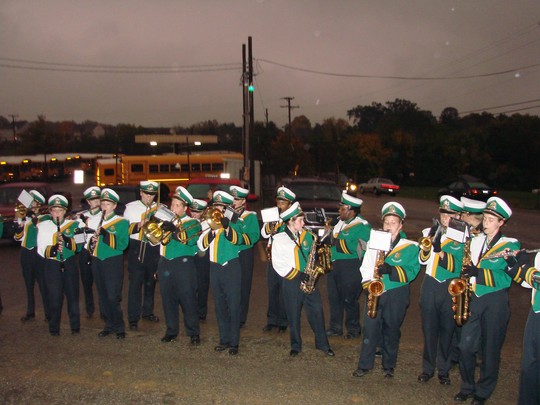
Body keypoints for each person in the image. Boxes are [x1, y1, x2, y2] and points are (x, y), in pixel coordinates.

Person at [453, 196, 519, 405]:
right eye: (486, 217)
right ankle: (467, 386)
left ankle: (483, 391)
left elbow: (507, 278)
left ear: (501, 222)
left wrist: (478, 273)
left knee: (490, 349)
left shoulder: (510, 245)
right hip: (475, 298)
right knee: (465, 346)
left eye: (492, 219)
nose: (487, 222)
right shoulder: (475, 240)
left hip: (495, 302)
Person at [353, 202, 420, 378]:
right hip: (375, 291)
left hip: (397, 293)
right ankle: (365, 365)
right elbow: (366, 265)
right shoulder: (374, 242)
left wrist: (390, 270)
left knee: (391, 329)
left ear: (400, 225)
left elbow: (412, 272)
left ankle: (388, 365)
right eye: (386, 222)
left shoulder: (410, 246)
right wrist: (369, 287)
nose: (389, 226)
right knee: (370, 328)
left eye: (393, 222)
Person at [271, 201, 335, 357]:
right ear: (290, 222)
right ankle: (295, 345)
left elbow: (312, 255)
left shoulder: (308, 236)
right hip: (292, 281)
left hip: (309, 281)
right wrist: (298, 275)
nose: (303, 222)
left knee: (317, 311)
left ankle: (322, 344)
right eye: (300, 220)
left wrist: (322, 248)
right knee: (293, 314)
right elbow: (277, 264)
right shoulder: (279, 239)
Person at [417, 195, 464, 385]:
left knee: (447, 330)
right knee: (429, 330)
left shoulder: (463, 237)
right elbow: (422, 259)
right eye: (443, 214)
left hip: (450, 286)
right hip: (430, 284)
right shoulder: (429, 231)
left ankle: (443, 370)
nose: (446, 219)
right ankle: (427, 368)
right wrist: (429, 241)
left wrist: (440, 250)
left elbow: (457, 266)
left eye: (450, 215)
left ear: (458, 216)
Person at [197, 190, 245, 355]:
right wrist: (211, 231)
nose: (218, 210)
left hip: (231, 266)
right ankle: (224, 339)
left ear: (228, 208)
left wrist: (226, 227)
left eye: (222, 207)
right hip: (214, 267)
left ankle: (234, 342)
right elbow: (201, 246)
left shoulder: (237, 222)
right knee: (219, 305)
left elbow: (238, 239)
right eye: (216, 206)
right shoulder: (208, 223)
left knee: (233, 305)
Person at [157, 186, 202, 345]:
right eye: (172, 204)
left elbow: (189, 239)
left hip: (184, 264)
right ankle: (171, 330)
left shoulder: (193, 222)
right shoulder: (165, 220)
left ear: (185, 208)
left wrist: (174, 229)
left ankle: (193, 332)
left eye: (177, 205)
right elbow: (154, 240)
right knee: (168, 299)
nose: (173, 208)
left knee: (188, 299)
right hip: (165, 262)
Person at [326, 191, 371, 339]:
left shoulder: (362, 226)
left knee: (349, 299)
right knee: (334, 298)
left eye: (342, 208)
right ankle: (335, 327)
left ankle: (353, 329)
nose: (339, 211)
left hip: (350, 266)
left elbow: (360, 247)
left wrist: (335, 243)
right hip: (334, 265)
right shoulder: (340, 223)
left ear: (351, 210)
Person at [36, 194, 82, 336]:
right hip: (52, 264)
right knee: (54, 297)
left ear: (64, 211)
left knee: (73, 296)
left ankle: (75, 326)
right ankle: (54, 326)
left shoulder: (75, 225)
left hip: (69, 263)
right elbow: (41, 248)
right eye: (54, 210)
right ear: (50, 211)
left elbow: (80, 246)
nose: (57, 213)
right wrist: (55, 248)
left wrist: (67, 241)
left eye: (60, 210)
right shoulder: (43, 226)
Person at [88, 189, 129, 339]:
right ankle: (108, 324)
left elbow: (123, 245)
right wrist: (91, 242)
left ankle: (119, 326)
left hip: (112, 261)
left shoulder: (121, 222)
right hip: (97, 260)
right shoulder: (95, 220)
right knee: (103, 295)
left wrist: (105, 235)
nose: (104, 207)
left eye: (108, 204)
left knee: (113, 296)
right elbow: (88, 243)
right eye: (103, 203)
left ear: (114, 205)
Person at [124, 180, 161, 330]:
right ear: (141, 193)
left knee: (150, 282)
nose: (149, 197)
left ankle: (147, 312)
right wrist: (139, 224)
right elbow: (125, 230)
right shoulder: (131, 208)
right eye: (146, 194)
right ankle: (133, 317)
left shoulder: (160, 208)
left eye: (152, 195)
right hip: (137, 248)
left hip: (153, 248)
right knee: (135, 284)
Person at [505, 250, 540, 405]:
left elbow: (537, 278)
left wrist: (525, 265)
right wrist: (514, 265)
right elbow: (530, 283)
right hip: (536, 313)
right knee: (530, 367)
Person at [260, 186, 296, 332]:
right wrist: (271, 224)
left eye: (283, 201)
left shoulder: (294, 217)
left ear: (290, 203)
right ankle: (272, 319)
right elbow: (264, 233)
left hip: (286, 260)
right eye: (278, 200)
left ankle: (283, 321)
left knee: (283, 290)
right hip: (273, 258)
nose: (279, 203)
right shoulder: (273, 214)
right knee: (272, 289)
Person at [13, 189, 49, 322]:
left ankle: (48, 312)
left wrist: (32, 216)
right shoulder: (25, 218)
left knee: (43, 284)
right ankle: (30, 311)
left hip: (38, 253)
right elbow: (17, 237)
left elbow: (41, 229)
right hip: (25, 253)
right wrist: (19, 220)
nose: (29, 204)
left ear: (38, 204)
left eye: (32, 202)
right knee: (29, 284)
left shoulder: (43, 218)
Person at [230, 185, 260, 327]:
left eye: (237, 199)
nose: (234, 201)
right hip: (229, 253)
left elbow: (254, 236)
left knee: (243, 286)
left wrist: (239, 237)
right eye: (233, 198)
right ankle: (230, 314)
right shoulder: (226, 214)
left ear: (243, 201)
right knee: (230, 286)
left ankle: (241, 318)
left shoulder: (250, 216)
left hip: (244, 253)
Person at [76, 186, 101, 319]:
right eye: (92, 200)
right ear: (88, 202)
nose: (95, 203)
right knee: (86, 282)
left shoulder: (104, 215)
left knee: (101, 282)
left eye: (97, 199)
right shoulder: (80, 216)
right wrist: (81, 230)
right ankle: (89, 308)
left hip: (99, 251)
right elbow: (77, 240)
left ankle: (103, 309)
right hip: (85, 251)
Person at [190, 198, 210, 321]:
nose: (194, 214)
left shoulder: (207, 224)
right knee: (190, 284)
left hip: (202, 256)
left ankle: (201, 313)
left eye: (197, 212)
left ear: (203, 212)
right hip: (190, 256)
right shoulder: (188, 222)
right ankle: (191, 310)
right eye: (192, 211)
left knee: (202, 285)